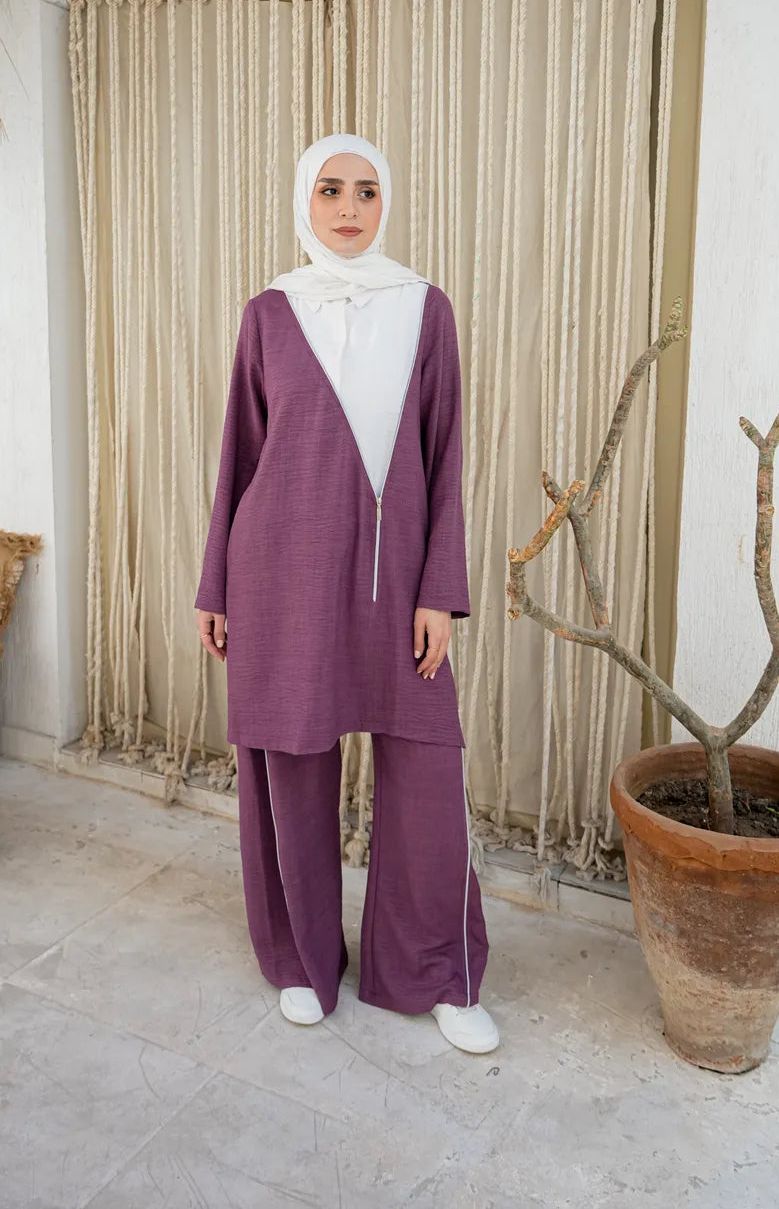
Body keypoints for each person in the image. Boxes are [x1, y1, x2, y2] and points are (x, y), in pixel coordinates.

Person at [194, 132, 498, 1055]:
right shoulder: (270, 312)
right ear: (306, 201)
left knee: (425, 774)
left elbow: (445, 463)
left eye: (367, 190)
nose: (349, 208)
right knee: (293, 762)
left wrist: (439, 589)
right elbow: (239, 459)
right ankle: (302, 961)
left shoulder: (426, 309)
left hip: (401, 583)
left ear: (386, 200)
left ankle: (434, 968)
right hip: (281, 575)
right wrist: (217, 583)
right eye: (330, 190)